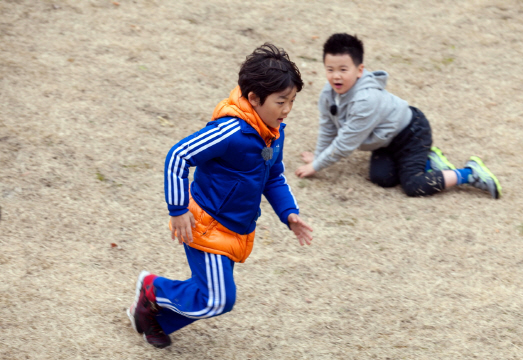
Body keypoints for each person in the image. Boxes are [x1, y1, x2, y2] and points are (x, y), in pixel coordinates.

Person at [126, 43, 313, 349]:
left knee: (209, 292)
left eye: (292, 101)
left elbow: (274, 176)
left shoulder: (273, 131)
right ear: (254, 98)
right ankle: (151, 289)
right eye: (281, 101)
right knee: (218, 298)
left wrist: (288, 213)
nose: (288, 109)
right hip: (207, 225)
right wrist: (177, 209)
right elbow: (178, 155)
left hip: (236, 228)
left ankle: (152, 318)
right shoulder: (230, 131)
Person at [295, 33, 501, 199]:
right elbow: (328, 127)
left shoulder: (366, 99)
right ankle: (431, 162)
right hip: (385, 141)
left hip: (412, 133)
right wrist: (319, 154)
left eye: (343, 69)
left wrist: (316, 165)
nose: (335, 75)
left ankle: (469, 173)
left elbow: (345, 143)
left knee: (413, 186)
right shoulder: (328, 93)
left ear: (359, 70)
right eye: (330, 69)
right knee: (381, 178)